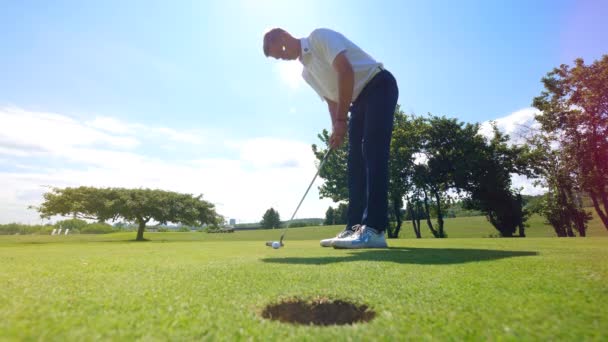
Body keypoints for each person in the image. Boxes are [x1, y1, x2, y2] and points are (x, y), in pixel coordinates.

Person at [263, 28, 398, 248]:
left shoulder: (319, 38)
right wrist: (336, 127)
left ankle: (374, 229)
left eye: (280, 52)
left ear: (283, 37)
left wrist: (342, 121)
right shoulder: (306, 73)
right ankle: (354, 228)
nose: (283, 58)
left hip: (379, 85)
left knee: (373, 153)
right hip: (357, 101)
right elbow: (332, 102)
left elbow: (346, 72)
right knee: (354, 163)